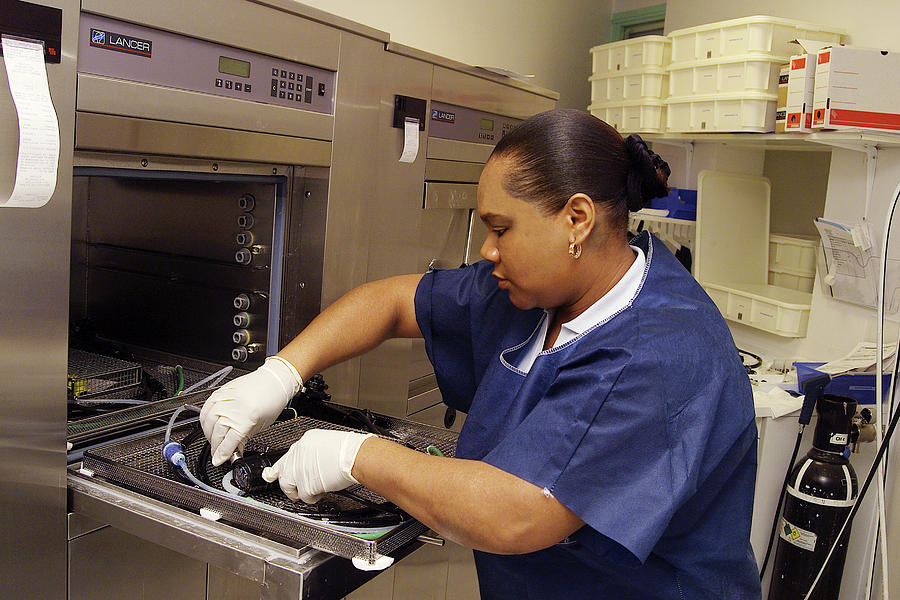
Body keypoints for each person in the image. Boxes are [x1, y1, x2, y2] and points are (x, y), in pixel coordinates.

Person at [200, 108, 761, 599]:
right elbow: (394, 302)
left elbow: (515, 513)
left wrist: (357, 457)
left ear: (577, 219)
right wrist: (280, 373)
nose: (487, 250)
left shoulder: (658, 354)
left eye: (501, 228)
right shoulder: (535, 292)